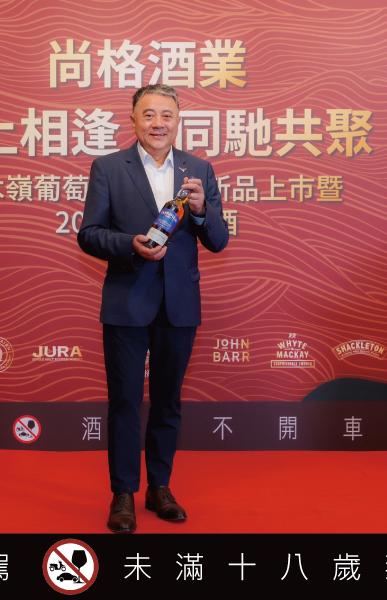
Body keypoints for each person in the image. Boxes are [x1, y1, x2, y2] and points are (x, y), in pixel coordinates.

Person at [77, 84, 228, 532]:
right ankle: (123, 493)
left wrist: (200, 211)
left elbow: (219, 240)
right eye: (148, 114)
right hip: (127, 301)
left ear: (178, 121)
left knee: (167, 402)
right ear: (133, 120)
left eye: (166, 115)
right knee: (125, 401)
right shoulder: (108, 167)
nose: (157, 123)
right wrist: (131, 244)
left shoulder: (199, 169)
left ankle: (159, 488)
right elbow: (89, 234)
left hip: (179, 304)